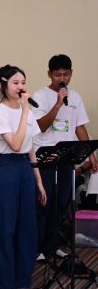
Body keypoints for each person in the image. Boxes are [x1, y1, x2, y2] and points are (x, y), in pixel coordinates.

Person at [32, 54, 97, 258]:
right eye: (57, 75)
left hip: (67, 158)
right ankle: (38, 248)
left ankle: (53, 245)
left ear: (71, 73)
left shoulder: (75, 97)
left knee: (62, 202)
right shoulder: (40, 96)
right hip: (46, 159)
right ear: (49, 74)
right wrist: (58, 104)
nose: (62, 79)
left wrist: (91, 155)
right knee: (44, 202)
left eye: (66, 74)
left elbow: (79, 127)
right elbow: (41, 126)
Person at [0, 64, 47, 289]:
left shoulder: (27, 111)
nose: (21, 87)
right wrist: (24, 112)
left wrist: (39, 180)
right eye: (15, 83)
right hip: (7, 167)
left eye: (23, 82)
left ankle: (23, 280)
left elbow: (30, 147)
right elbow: (14, 144)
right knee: (6, 227)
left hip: (25, 167)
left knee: (27, 227)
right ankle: (4, 285)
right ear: (3, 84)